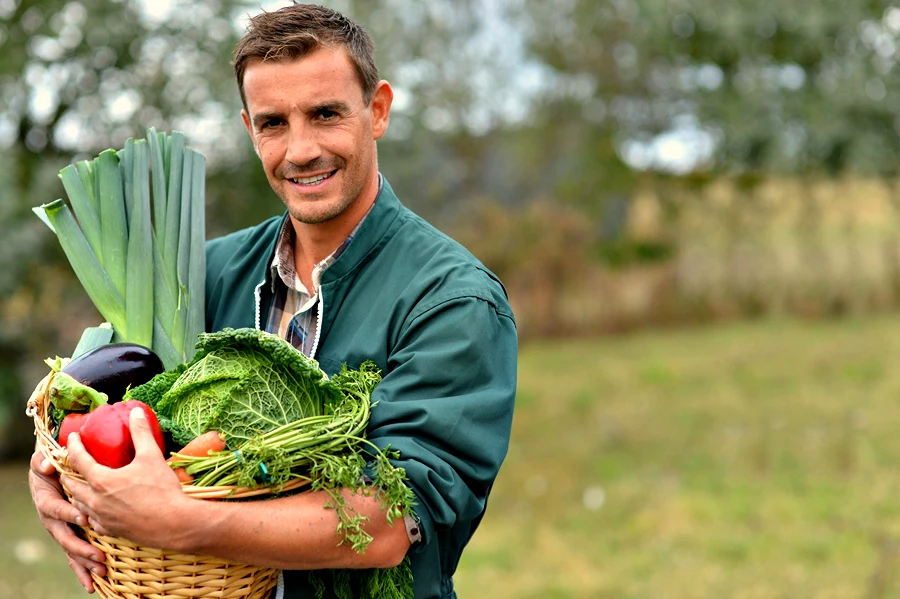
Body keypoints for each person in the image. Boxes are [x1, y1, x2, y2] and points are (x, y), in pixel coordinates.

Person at [28, 4, 517, 599]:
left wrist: (185, 524)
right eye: (273, 123)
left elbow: (390, 520)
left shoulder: (451, 299)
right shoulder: (202, 276)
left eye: (325, 114)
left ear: (378, 109)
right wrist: (50, 472)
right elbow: (90, 399)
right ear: (248, 128)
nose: (301, 149)